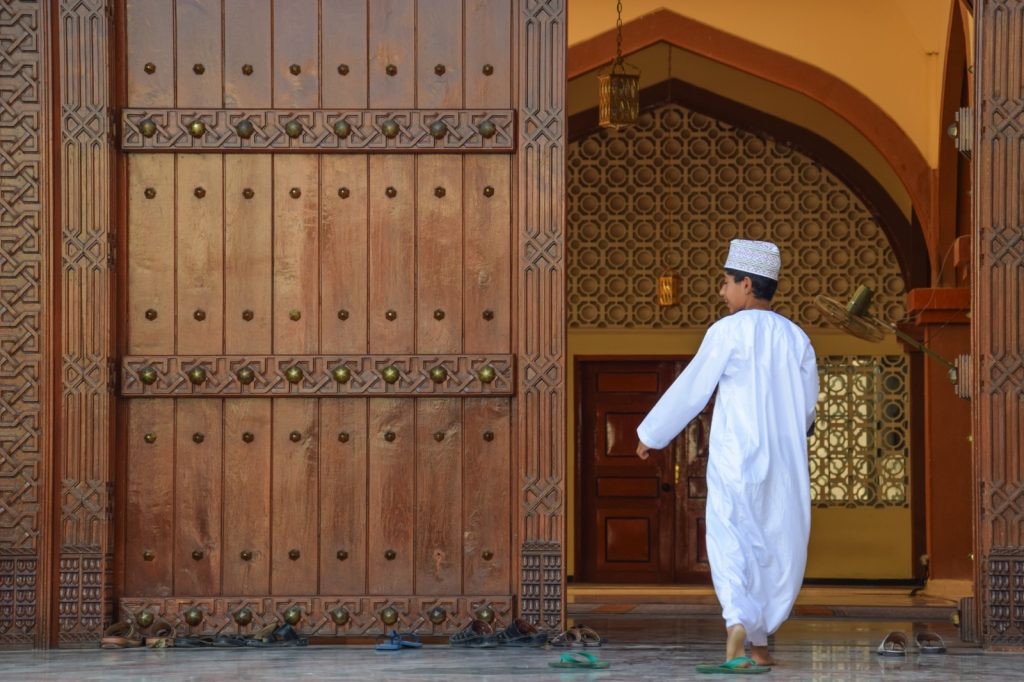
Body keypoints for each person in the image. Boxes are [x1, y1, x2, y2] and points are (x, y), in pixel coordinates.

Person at [635, 239, 818, 673]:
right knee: (776, 542)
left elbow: (693, 388)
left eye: (726, 282)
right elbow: (809, 407)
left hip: (737, 456)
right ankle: (761, 642)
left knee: (732, 538)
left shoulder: (726, 332)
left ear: (747, 285)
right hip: (785, 463)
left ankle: (737, 620)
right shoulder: (797, 338)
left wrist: (651, 434)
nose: (722, 291)